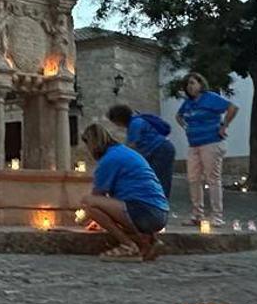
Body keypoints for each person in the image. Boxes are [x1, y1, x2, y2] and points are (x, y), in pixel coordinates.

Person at [79, 122, 168, 262]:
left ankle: (128, 246)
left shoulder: (108, 160)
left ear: (92, 144)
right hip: (160, 212)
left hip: (145, 212)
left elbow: (96, 197)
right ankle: (149, 242)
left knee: (88, 203)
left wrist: (82, 219)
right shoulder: (124, 152)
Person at [176, 72, 239, 227]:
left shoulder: (210, 98)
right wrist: (185, 126)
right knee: (193, 178)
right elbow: (179, 116)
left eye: (192, 83)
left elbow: (232, 108)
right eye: (187, 85)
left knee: (213, 178)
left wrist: (224, 126)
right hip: (194, 144)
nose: (190, 87)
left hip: (211, 142)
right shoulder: (188, 103)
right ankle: (197, 214)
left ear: (200, 84)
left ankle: (217, 215)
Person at [107, 104, 176, 199]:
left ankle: (160, 208)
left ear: (119, 119)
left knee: (159, 181)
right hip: (157, 151)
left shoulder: (135, 124)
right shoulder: (135, 122)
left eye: (115, 122)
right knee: (155, 180)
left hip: (161, 151)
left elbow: (131, 148)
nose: (117, 125)